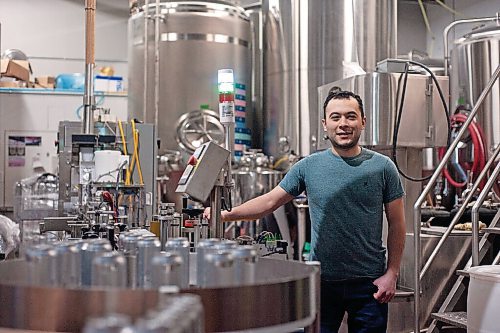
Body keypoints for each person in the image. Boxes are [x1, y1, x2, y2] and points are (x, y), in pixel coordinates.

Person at [204, 89, 406, 333]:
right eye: (336, 117)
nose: (343, 124)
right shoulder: (308, 166)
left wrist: (392, 273)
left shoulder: (383, 167)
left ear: (363, 121)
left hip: (369, 283)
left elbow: (397, 223)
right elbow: (270, 202)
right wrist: (226, 214)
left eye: (351, 117)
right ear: (324, 124)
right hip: (322, 281)